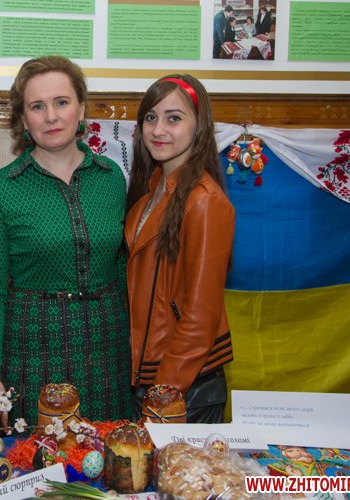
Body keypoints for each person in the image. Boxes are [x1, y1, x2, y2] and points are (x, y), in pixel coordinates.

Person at [0, 56, 133, 424]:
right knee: (39, 453)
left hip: (108, 347)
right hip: (34, 347)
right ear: (23, 118)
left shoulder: (111, 178)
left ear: (81, 109)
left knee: (112, 450)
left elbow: (124, 267)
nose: (51, 116)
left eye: (61, 102)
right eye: (37, 106)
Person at [125, 75, 235, 423]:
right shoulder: (151, 191)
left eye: (174, 118)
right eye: (151, 117)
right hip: (150, 378)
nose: (159, 129)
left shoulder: (204, 200)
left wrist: (162, 397)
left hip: (185, 388)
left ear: (199, 126)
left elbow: (200, 319)